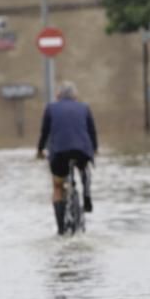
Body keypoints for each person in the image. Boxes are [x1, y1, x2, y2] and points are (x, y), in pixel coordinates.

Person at [36, 81, 98, 235]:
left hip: (59, 152)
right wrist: (94, 150)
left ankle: (61, 228)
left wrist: (39, 151)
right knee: (83, 165)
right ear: (75, 95)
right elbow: (92, 132)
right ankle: (86, 193)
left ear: (58, 95)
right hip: (82, 150)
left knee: (57, 186)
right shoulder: (84, 107)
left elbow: (44, 133)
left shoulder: (51, 108)